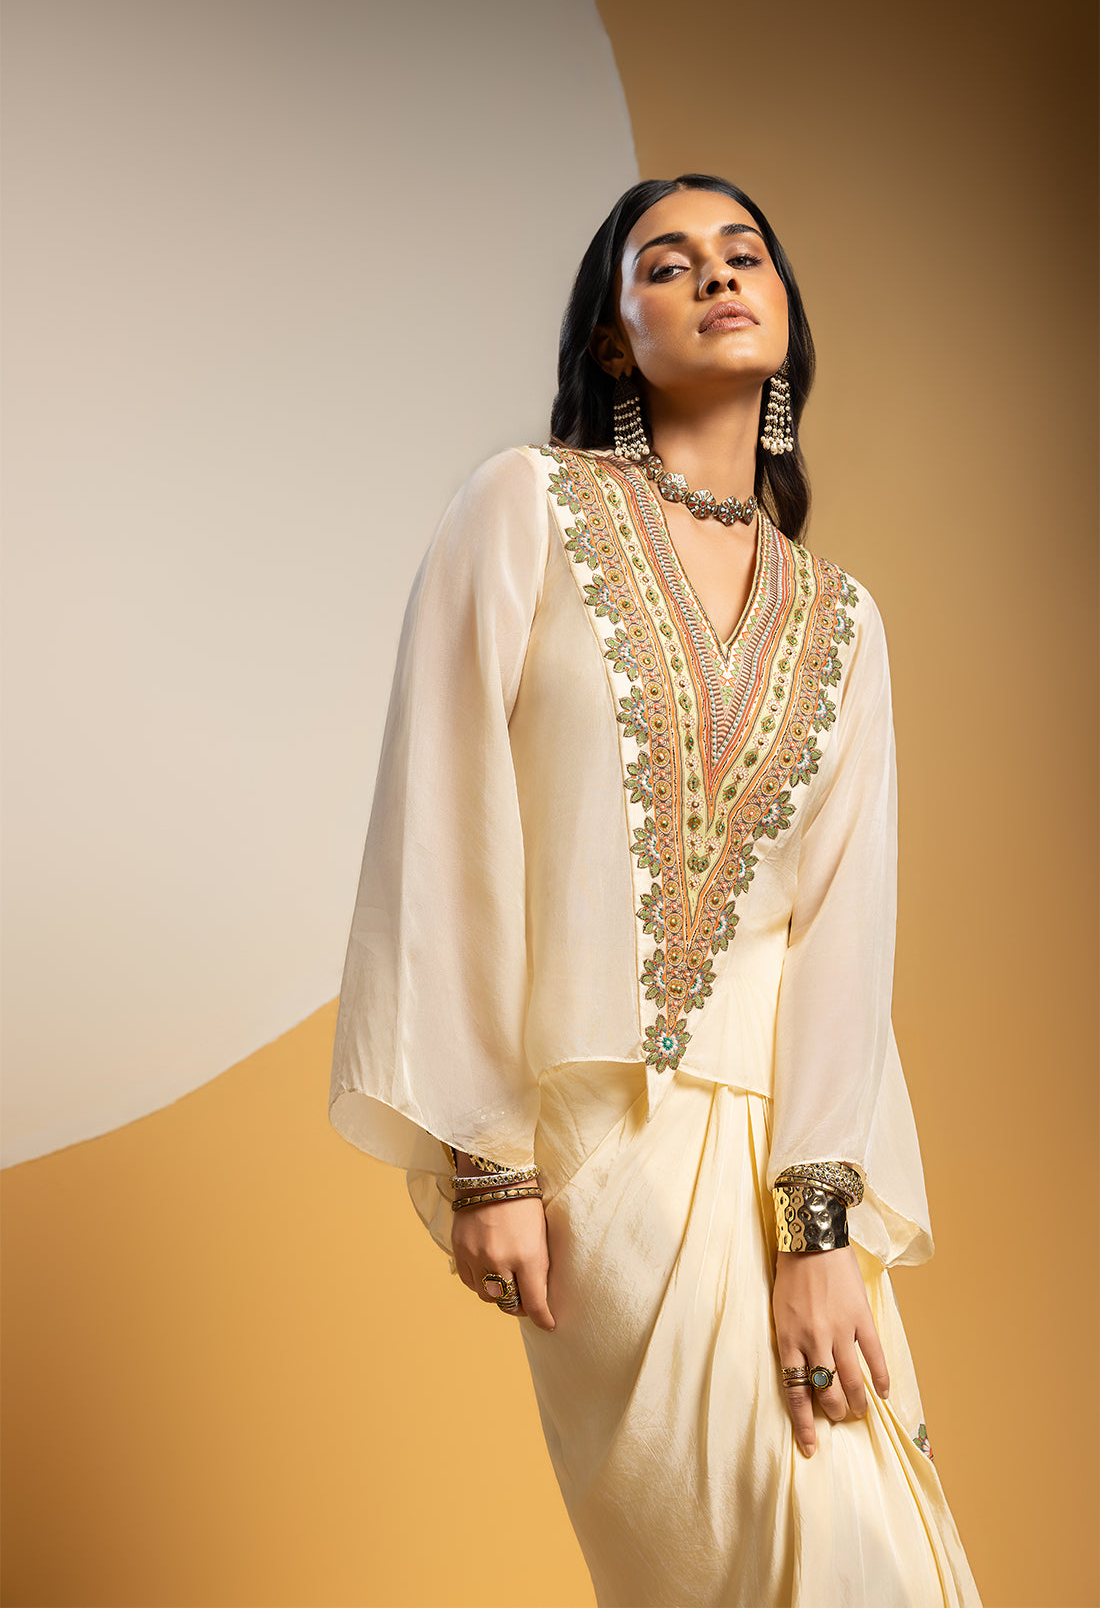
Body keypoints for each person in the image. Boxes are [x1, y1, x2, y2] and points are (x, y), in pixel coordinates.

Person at [329, 173, 981, 1608]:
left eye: (744, 254)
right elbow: (443, 812)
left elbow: (844, 935)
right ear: (615, 340)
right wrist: (488, 1156)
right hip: (595, 1159)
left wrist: (818, 1234)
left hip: (786, 1163)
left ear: (784, 310)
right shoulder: (529, 508)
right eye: (670, 264)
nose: (717, 276)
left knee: (871, 1549)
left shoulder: (842, 619)